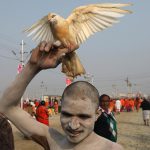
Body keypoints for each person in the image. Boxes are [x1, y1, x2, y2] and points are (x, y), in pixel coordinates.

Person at [0, 41, 123, 150]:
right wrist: (33, 66)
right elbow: (7, 107)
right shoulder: (53, 141)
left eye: (83, 116)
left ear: (97, 114)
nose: (73, 125)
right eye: (66, 114)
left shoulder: (111, 148)